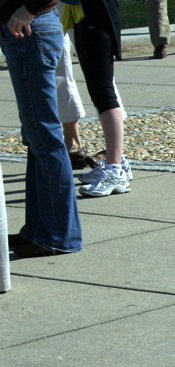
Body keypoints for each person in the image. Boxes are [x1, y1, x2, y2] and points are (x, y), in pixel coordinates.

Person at [0, 0, 82, 257]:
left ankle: (58, 236)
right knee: (36, 137)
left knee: (44, 137)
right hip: (26, 28)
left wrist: (30, 8)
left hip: (29, 27)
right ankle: (39, 230)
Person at [70, 0, 133, 198]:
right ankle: (118, 162)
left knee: (104, 94)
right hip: (84, 15)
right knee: (99, 93)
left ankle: (115, 170)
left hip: (97, 16)